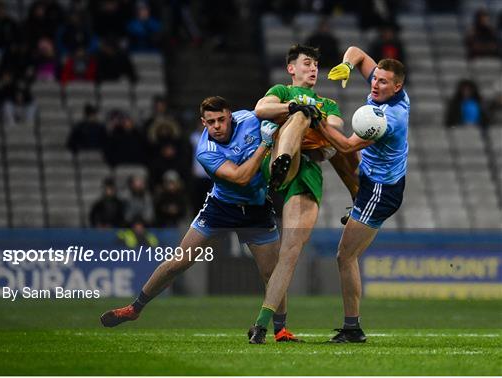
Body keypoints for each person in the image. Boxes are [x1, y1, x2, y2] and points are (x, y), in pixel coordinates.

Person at [100, 96, 301, 342]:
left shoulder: (250, 119)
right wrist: (265, 146)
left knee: (272, 273)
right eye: (210, 122)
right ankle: (134, 309)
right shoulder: (206, 151)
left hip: (257, 208)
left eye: (221, 120)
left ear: (231, 116)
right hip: (221, 207)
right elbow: (240, 178)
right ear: (203, 123)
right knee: (179, 262)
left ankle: (280, 330)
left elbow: (282, 116)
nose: (216, 126)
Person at [248, 44, 358, 344]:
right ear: (291, 69)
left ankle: (261, 325)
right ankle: (282, 164)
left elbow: (334, 128)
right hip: (281, 157)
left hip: (307, 171)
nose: (313, 69)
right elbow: (261, 109)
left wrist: (313, 116)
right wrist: (297, 109)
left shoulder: (328, 104)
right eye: (307, 63)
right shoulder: (282, 91)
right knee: (299, 116)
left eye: (316, 64)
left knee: (290, 252)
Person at [320, 46, 409, 342]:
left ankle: (352, 328)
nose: (375, 83)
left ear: (398, 87)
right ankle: (355, 201)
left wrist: (316, 120)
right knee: (328, 149)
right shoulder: (388, 88)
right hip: (372, 177)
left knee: (345, 256)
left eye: (383, 82)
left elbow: (347, 146)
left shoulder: (388, 118)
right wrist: (346, 64)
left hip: (379, 191)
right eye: (375, 79)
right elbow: (357, 52)